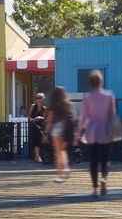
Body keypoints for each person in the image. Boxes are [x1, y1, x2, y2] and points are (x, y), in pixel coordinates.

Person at [79, 69, 116, 197]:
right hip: (105, 130)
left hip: (91, 131)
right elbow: (112, 115)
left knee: (93, 160)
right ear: (101, 82)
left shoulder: (87, 97)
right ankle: (104, 178)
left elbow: (83, 117)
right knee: (105, 159)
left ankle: (95, 188)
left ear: (90, 83)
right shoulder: (109, 96)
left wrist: (77, 133)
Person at [47, 80, 76, 183]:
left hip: (57, 127)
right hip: (66, 128)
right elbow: (73, 117)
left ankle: (59, 174)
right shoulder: (68, 104)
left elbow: (50, 119)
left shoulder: (53, 104)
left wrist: (46, 133)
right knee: (63, 151)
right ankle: (66, 167)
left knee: (57, 152)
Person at [26, 93, 50, 165]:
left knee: (41, 139)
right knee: (35, 140)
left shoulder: (44, 108)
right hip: (34, 125)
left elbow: (45, 117)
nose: (38, 100)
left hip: (41, 125)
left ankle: (38, 156)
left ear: (43, 99)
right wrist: (34, 119)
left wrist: (40, 118)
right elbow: (29, 116)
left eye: (40, 98)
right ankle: (37, 155)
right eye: (37, 98)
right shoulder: (33, 106)